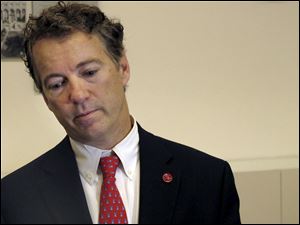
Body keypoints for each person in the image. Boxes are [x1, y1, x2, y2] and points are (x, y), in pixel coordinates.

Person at [1, 2, 241, 224]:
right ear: (45, 98)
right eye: (56, 84)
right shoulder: (13, 198)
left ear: (123, 68)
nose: (78, 95)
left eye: (89, 72)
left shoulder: (207, 180)